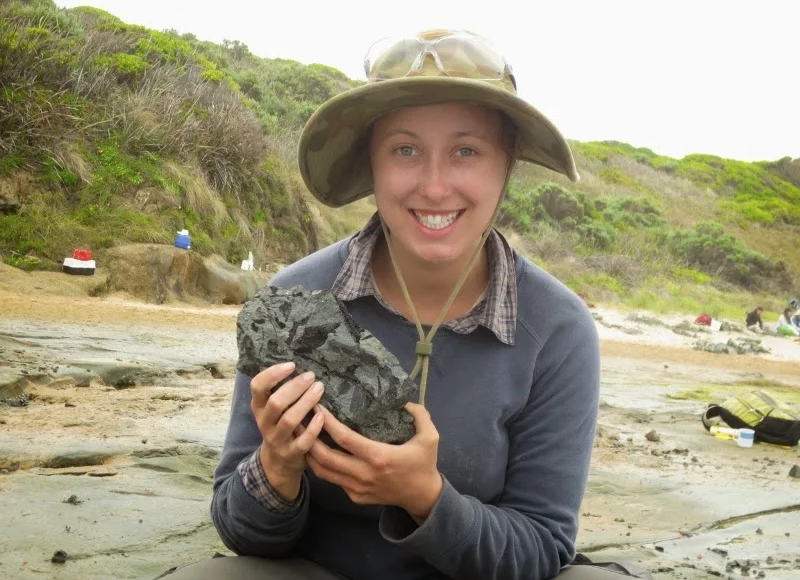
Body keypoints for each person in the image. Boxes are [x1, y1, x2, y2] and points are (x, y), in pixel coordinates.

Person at [165, 30, 649, 580]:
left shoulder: (557, 328)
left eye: (466, 151)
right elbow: (242, 533)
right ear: (371, 162)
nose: (435, 186)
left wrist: (428, 499)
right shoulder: (293, 303)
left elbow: (540, 546)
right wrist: (276, 468)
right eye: (405, 150)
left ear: (506, 166)